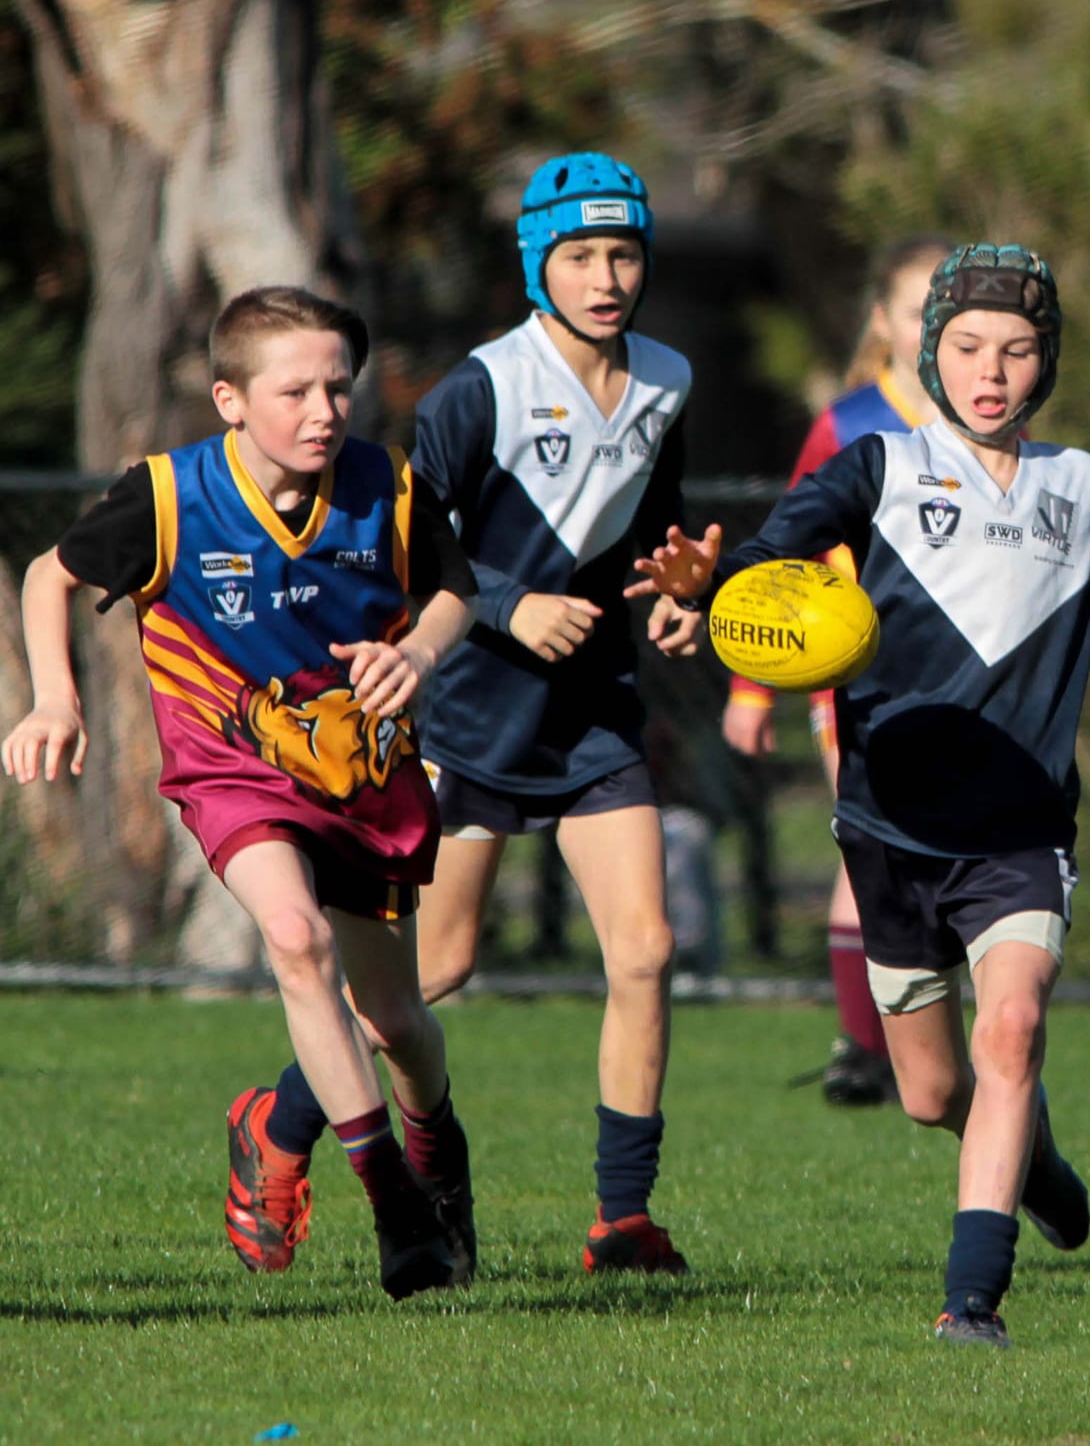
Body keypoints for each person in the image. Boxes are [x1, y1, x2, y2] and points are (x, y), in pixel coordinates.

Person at [630, 244, 1090, 1346]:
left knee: (1014, 1030)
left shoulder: (1078, 488)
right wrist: (708, 590)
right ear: (929, 350)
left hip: (1020, 826)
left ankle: (970, 1300)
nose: (991, 369)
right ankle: (1032, 1157)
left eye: (1017, 349)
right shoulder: (875, 466)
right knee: (933, 1092)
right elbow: (768, 570)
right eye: (969, 346)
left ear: (1047, 364)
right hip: (889, 823)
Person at [228, 154, 714, 1278]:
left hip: (592, 717)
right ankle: (279, 1122)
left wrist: (690, 594)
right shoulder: (480, 390)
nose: (606, 276)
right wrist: (506, 602)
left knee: (646, 948)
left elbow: (664, 529)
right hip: (466, 718)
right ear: (537, 262)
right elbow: (405, 550)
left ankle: (621, 1219)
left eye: (624, 252)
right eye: (581, 254)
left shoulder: (669, 379)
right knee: (426, 976)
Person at [2, 286, 479, 1300]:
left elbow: (454, 590)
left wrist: (422, 656)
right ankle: (396, 1205)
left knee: (395, 1013)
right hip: (236, 770)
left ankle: (434, 1155)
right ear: (229, 398)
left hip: (362, 771)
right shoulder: (171, 496)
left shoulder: (383, 489)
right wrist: (56, 699)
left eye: (337, 388)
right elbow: (50, 573)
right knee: (295, 941)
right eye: (294, 390)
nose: (323, 410)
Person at [721, 232, 954, 1106]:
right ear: (884, 322)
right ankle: (863, 1050)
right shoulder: (852, 423)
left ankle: (924, 1039)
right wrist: (752, 685)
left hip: (966, 686)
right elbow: (787, 557)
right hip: (856, 682)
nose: (935, 328)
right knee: (871, 852)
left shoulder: (997, 425)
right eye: (917, 309)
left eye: (952, 311)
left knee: (947, 865)